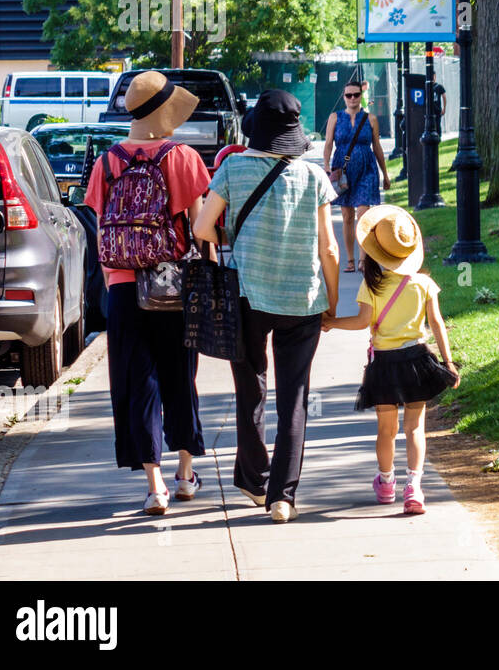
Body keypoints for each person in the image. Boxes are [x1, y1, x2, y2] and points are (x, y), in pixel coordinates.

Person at [193, 90, 339, 523]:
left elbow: (203, 227)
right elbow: (329, 250)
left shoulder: (231, 168)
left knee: (250, 391)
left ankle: (255, 482)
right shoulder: (314, 178)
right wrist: (329, 301)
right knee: (294, 397)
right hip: (303, 300)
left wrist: (237, 238)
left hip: (246, 297)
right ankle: (283, 497)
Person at [84, 71, 210, 516]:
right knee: (181, 377)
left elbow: (101, 230)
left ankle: (153, 484)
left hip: (121, 286)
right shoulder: (183, 158)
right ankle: (185, 474)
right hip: (172, 284)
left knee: (138, 383)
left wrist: (116, 276)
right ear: (162, 113)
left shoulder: (107, 162)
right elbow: (200, 229)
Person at [322, 205, 458, 514]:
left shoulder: (372, 285)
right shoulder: (423, 284)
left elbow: (360, 322)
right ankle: (414, 487)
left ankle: (386, 484)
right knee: (414, 429)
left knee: (386, 431)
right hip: (418, 360)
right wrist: (448, 363)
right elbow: (436, 324)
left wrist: (331, 322)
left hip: (384, 364)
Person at [323, 81, 390, 273]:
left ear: (361, 96)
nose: (352, 98)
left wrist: (385, 174)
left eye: (356, 95)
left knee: (363, 214)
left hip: (367, 169)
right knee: (346, 216)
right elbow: (328, 144)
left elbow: (376, 146)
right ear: (344, 97)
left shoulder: (371, 119)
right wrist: (327, 166)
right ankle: (350, 259)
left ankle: (363, 259)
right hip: (342, 171)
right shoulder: (335, 117)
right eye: (348, 95)